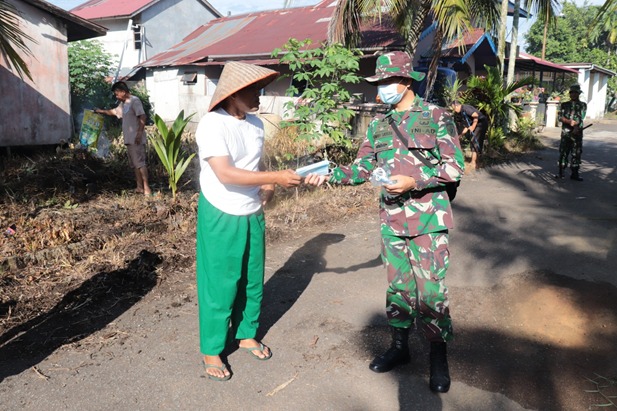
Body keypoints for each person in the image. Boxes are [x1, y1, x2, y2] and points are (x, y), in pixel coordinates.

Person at [305, 51, 464, 393]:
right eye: (379, 83)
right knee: (398, 287)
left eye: (387, 81)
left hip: (428, 219)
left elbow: (454, 167)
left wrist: (414, 181)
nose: (382, 89)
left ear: (405, 81)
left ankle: (438, 357)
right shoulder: (379, 126)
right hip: (392, 220)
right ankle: (399, 347)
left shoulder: (436, 116)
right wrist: (329, 173)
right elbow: (361, 168)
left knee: (431, 290)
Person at [194, 61, 301, 381]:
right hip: (221, 210)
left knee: (252, 279)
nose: (259, 96)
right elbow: (226, 173)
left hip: (251, 209)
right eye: (253, 90)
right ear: (232, 95)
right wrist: (275, 177)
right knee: (220, 283)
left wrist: (267, 184)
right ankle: (212, 349)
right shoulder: (212, 124)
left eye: (260, 89)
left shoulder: (255, 124)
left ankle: (245, 334)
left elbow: (255, 163)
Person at [95, 81, 152, 196]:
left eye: (117, 94)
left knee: (140, 163)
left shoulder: (134, 101)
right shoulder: (124, 104)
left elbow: (142, 116)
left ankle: (147, 189)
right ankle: (139, 187)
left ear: (123, 92)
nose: (116, 96)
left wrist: (139, 134)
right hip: (129, 139)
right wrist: (100, 111)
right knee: (135, 164)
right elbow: (114, 112)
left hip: (136, 138)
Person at [557, 84, 587, 181]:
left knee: (576, 153)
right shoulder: (564, 105)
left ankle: (575, 174)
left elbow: (581, 117)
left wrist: (576, 127)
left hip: (577, 134)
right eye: (572, 92)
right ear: (570, 94)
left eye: (575, 92)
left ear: (579, 94)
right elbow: (560, 117)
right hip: (566, 133)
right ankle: (561, 172)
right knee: (563, 152)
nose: (573, 94)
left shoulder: (583, 105)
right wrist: (569, 122)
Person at [450, 100, 488, 171]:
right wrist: (460, 136)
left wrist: (473, 126)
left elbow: (476, 115)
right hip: (476, 124)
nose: (454, 110)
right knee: (473, 141)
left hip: (481, 123)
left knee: (474, 141)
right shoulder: (461, 113)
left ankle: (473, 163)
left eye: (454, 108)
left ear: (457, 105)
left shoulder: (466, 108)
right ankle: (477, 160)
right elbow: (466, 126)